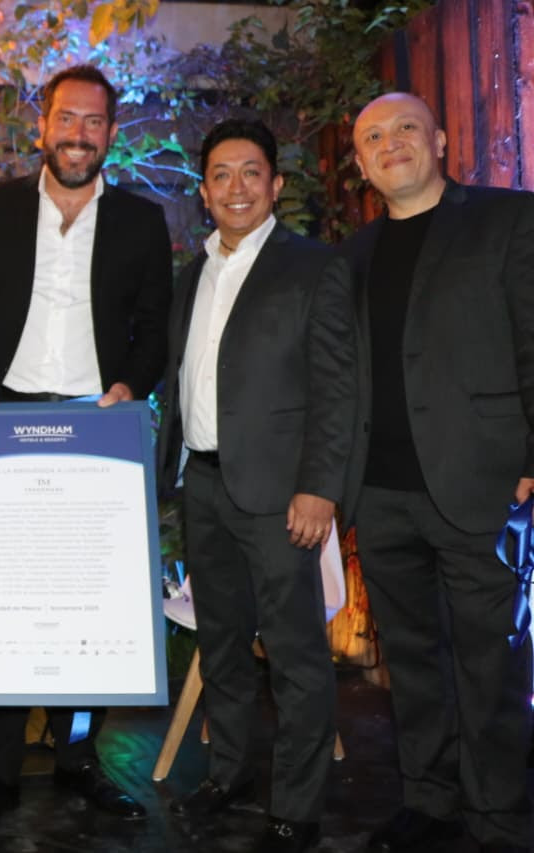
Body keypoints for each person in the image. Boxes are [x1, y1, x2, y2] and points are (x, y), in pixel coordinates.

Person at [0, 63, 171, 839]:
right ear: (42, 125)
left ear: (111, 133)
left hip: (94, 428)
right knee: (0, 603)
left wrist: (130, 387)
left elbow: (155, 324)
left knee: (86, 603)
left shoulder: (140, 220)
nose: (78, 134)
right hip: (0, 420)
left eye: (94, 121)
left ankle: (78, 756)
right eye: (66, 118)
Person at [341, 92, 534, 853]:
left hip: (482, 482)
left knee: (489, 663)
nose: (391, 144)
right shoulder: (352, 254)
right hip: (381, 494)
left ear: (442, 140)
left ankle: (497, 816)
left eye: (406, 129)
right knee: (413, 661)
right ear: (361, 164)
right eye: (373, 137)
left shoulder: (507, 220)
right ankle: (430, 799)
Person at [156, 118, 356, 853]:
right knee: (222, 646)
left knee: (296, 656)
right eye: (220, 174)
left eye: (250, 172)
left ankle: (296, 808)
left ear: (274, 184)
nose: (235, 187)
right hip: (203, 484)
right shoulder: (194, 272)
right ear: (204, 191)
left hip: (282, 497)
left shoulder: (314, 267)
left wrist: (320, 487)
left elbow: (338, 387)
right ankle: (230, 775)